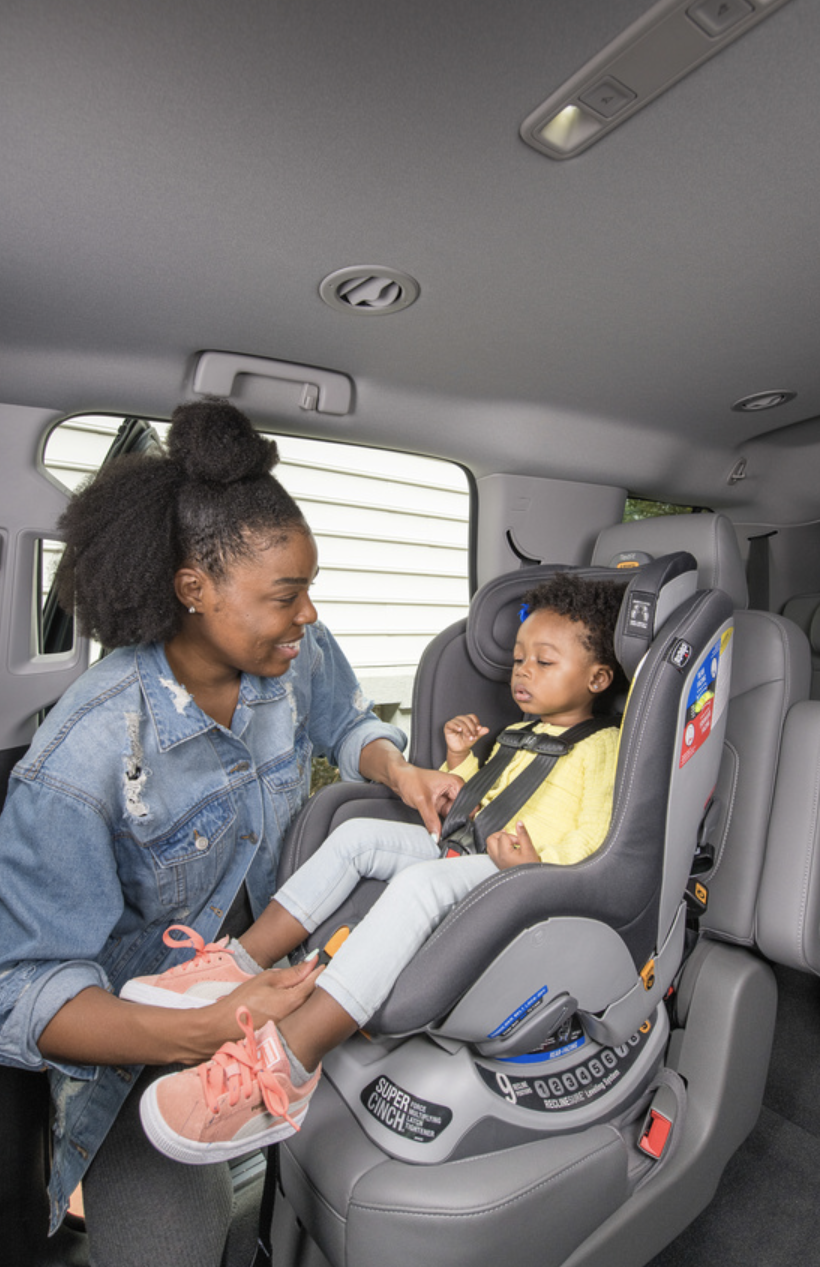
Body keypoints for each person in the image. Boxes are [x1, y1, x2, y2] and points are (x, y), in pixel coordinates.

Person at [0, 398, 461, 1267]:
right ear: (194, 589)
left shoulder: (289, 660)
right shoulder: (84, 757)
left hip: (280, 996)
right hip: (147, 1046)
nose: (310, 616)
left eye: (310, 590)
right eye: (286, 595)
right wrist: (204, 1027)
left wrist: (397, 769)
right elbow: (23, 993)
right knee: (176, 1248)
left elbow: (348, 718)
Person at [128, 574, 627, 1166]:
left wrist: (539, 865)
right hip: (467, 847)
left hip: (520, 878)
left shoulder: (603, 746)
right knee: (358, 835)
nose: (522, 672)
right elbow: (473, 801)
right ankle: (238, 964)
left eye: (544, 662)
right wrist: (460, 762)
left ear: (597, 679)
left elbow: (598, 832)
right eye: (519, 659)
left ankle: (290, 1062)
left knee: (417, 885)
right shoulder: (520, 734)